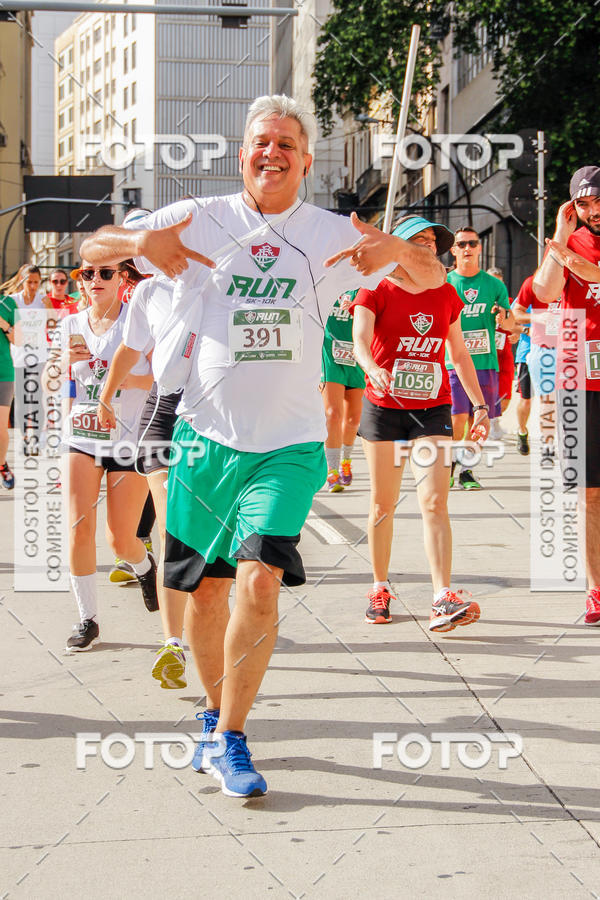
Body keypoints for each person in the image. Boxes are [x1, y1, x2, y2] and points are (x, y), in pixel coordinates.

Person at [79, 94, 446, 798]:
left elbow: (433, 281)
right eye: (260, 141)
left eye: (286, 143)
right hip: (204, 440)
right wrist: (139, 245)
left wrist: (399, 250)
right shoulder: (199, 217)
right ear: (242, 153)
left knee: (259, 580)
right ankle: (213, 714)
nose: (271, 152)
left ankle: (233, 736)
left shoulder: (333, 233)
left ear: (306, 160)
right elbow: (95, 245)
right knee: (207, 594)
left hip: (291, 444)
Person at [352, 214, 488, 630]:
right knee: (383, 503)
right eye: (419, 239)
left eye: (433, 240)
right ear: (398, 245)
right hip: (384, 407)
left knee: (434, 501)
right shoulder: (375, 286)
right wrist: (372, 367)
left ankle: (442, 596)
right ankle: (379, 587)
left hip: (432, 408)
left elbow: (459, 353)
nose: (428, 246)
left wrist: (481, 406)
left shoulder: (446, 293)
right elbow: (360, 340)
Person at [42, 258, 159, 652]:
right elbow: (48, 380)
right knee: (78, 528)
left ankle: (143, 565)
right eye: (87, 273)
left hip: (128, 438)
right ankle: (87, 619)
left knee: (120, 540)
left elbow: (162, 378)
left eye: (105, 273)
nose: (95, 280)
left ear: (122, 277)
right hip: (81, 435)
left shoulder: (139, 322)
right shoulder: (71, 324)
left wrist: (118, 380)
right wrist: (62, 363)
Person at [98, 274, 189, 690]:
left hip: (219, 414)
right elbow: (130, 348)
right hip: (164, 412)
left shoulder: (227, 279)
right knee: (172, 527)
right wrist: (105, 396)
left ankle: (211, 612)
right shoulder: (151, 291)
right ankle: (173, 642)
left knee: (213, 538)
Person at [533, 165, 600, 626]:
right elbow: (543, 290)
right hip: (580, 381)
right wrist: (560, 234)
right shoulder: (569, 243)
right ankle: (596, 590)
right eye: (583, 204)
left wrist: (592, 272)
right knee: (589, 493)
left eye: (598, 201)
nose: (593, 211)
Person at [446, 228, 515, 489]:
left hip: (485, 362)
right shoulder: (446, 282)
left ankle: (467, 470)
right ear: (453, 249)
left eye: (472, 243)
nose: (468, 248)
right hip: (452, 362)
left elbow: (510, 323)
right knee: (457, 418)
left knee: (479, 419)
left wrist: (503, 317)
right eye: (462, 244)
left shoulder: (494, 285)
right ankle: (449, 465)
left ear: (479, 247)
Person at [320, 289, 365, 491]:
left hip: (356, 354)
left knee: (353, 420)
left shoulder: (366, 285)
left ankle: (345, 461)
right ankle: (332, 470)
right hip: (330, 353)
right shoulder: (326, 280)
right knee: (333, 414)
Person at [487, 266, 518, 439]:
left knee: (505, 395)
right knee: (487, 391)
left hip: (504, 353)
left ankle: (494, 420)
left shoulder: (509, 302)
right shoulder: (479, 303)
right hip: (485, 354)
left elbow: (516, 325)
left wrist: (515, 334)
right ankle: (488, 423)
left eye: (499, 283)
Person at [0, 291, 17, 489]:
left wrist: (4, 324)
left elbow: (19, 339)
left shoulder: (8, 303)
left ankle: (2, 464)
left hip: (3, 373)